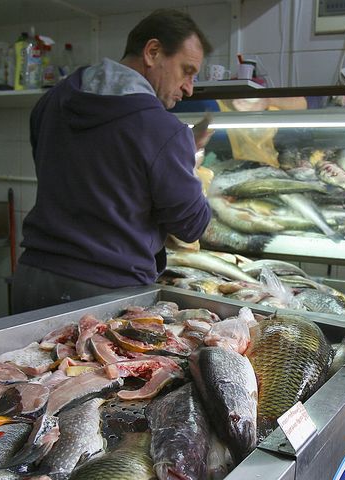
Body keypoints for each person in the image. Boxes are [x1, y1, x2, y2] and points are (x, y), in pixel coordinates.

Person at [11, 9, 213, 313]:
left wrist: (173, 157)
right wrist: (189, 164)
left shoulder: (52, 100)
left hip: (32, 278)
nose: (189, 88)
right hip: (107, 294)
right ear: (153, 52)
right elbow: (191, 225)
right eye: (187, 71)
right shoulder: (163, 130)